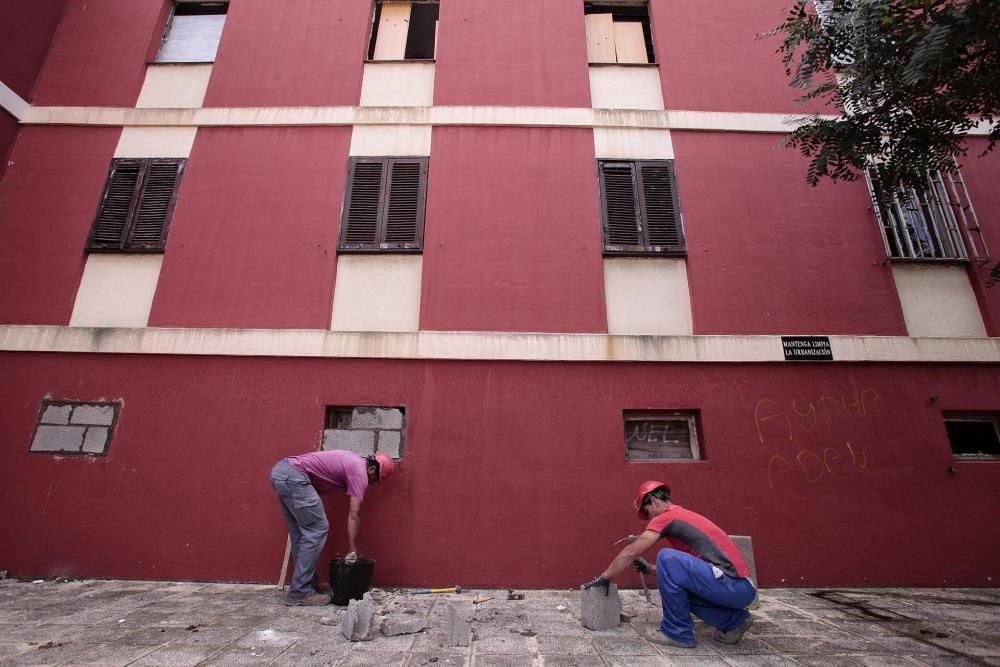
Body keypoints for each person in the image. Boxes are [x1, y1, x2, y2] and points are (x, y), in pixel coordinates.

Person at [583, 480, 755, 648]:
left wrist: (605, 577)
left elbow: (632, 551)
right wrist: (649, 569)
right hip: (740, 588)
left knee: (666, 557)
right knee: (679, 588)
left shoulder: (666, 517)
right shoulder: (683, 516)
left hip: (732, 585)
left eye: (647, 511)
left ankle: (676, 633)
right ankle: (735, 621)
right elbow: (688, 574)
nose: (649, 518)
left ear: (654, 501)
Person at [270, 450, 395, 606]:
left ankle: (308, 584)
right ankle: (300, 592)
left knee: (302, 535)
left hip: (282, 472)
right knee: (318, 528)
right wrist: (352, 548)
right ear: (372, 469)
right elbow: (354, 515)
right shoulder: (360, 473)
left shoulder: (354, 462)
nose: (372, 484)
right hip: (294, 476)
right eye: (375, 480)